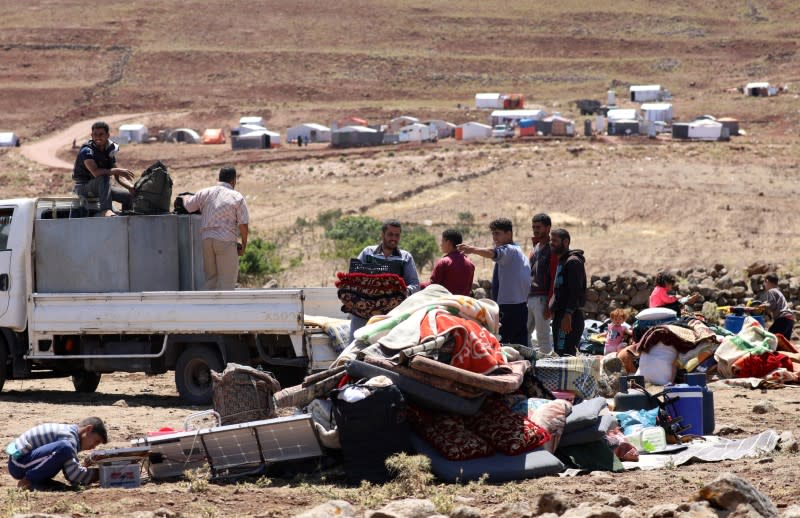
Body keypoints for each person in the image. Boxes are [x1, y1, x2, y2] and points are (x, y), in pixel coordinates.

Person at [458, 218, 530, 345]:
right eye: (493, 233)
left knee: (505, 346)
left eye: (497, 233)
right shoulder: (516, 250)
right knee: (520, 346)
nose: (494, 237)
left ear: (509, 234)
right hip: (519, 307)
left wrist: (472, 249)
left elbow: (493, 253)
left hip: (509, 309)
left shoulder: (509, 250)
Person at [350, 219, 421, 338]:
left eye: (397, 235)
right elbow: (353, 277)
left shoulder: (406, 257)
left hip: (392, 313)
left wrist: (403, 291)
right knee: (355, 343)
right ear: (382, 234)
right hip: (364, 310)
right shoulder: (368, 253)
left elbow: (415, 285)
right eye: (390, 234)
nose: (394, 238)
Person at [182, 166, 249, 290]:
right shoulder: (236, 197)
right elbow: (243, 225)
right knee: (226, 282)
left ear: (219, 178)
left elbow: (188, 206)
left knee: (211, 280)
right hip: (225, 241)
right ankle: (225, 308)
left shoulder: (205, 192)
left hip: (207, 241)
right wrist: (243, 246)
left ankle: (210, 308)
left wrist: (185, 198)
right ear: (233, 181)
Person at [6, 417, 108, 490]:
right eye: (96, 441)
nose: (94, 447)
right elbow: (74, 476)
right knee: (65, 447)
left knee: (61, 486)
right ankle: (28, 481)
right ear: (88, 429)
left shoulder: (71, 434)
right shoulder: (68, 438)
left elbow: (71, 475)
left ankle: (36, 482)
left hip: (23, 461)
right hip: (19, 464)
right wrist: (104, 473)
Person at [72, 121, 135, 217]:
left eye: (101, 134)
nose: (97, 137)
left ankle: (127, 217)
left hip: (102, 188)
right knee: (103, 176)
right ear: (91, 135)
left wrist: (130, 187)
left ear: (107, 135)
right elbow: (96, 173)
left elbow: (119, 177)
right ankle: (105, 210)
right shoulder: (87, 151)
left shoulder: (109, 151)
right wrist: (117, 171)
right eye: (95, 134)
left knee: (128, 196)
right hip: (84, 187)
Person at [549, 228, 586, 356]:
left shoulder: (573, 262)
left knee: (566, 355)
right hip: (561, 316)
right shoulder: (562, 261)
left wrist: (568, 314)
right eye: (550, 240)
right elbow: (559, 289)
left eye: (555, 240)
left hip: (570, 318)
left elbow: (575, 291)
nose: (551, 243)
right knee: (559, 353)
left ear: (565, 242)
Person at [527, 213, 556, 355]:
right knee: (524, 334)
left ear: (548, 228)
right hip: (530, 297)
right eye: (533, 227)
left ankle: (547, 369)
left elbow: (554, 278)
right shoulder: (535, 247)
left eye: (538, 227)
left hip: (542, 298)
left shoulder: (552, 249)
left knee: (543, 337)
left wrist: (549, 304)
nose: (535, 230)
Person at [421, 229, 475, 296]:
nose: (441, 244)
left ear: (448, 243)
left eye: (442, 241)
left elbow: (432, 286)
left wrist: (418, 285)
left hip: (446, 303)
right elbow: (469, 288)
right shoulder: (470, 264)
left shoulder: (444, 262)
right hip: (463, 303)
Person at [758, 273, 795, 340]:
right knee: (785, 341)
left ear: (767, 281)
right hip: (790, 318)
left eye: (764, 283)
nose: (764, 285)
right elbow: (774, 302)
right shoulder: (778, 291)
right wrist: (766, 303)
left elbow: (772, 304)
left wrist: (763, 306)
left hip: (782, 318)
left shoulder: (771, 291)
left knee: (771, 337)